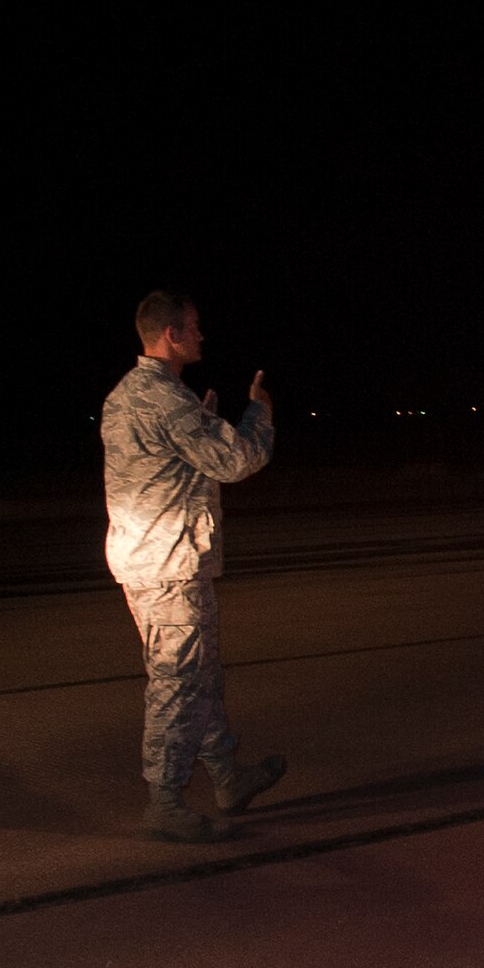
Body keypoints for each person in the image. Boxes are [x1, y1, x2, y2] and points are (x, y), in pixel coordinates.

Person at [101, 290, 285, 841]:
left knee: (199, 678)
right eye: (194, 327)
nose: (201, 335)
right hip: (168, 565)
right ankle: (165, 800)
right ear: (171, 335)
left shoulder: (126, 396)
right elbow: (235, 459)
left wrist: (200, 422)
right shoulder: (163, 398)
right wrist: (260, 412)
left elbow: (163, 466)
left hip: (150, 557)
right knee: (176, 684)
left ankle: (229, 777)